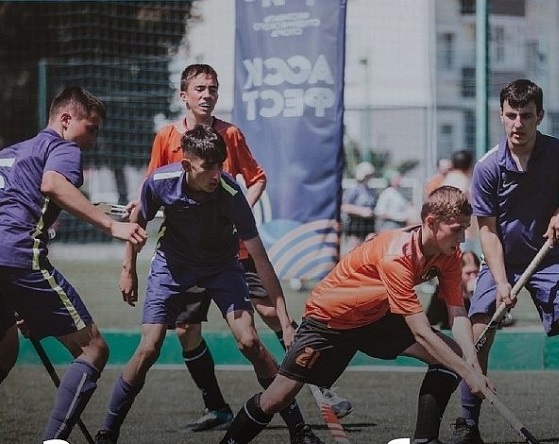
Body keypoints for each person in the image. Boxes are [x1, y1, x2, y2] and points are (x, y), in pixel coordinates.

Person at [140, 63, 351, 431]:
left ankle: (321, 388)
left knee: (272, 314)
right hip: (185, 256)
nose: (207, 95)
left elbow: (257, 178)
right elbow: (153, 186)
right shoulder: (166, 137)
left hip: (231, 253)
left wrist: (237, 215)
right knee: (185, 329)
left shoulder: (231, 134)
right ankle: (217, 407)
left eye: (213, 88)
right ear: (184, 95)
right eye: (200, 88)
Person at [94, 125, 322, 444]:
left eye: (220, 166)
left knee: (250, 342)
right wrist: (128, 269)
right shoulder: (159, 182)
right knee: (149, 347)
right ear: (187, 165)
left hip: (222, 267)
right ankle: (108, 432)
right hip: (173, 267)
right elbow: (138, 222)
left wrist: (285, 322)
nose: (217, 174)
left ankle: (298, 429)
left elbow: (261, 260)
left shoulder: (231, 194)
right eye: (208, 167)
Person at [220, 185, 495, 444]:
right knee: (276, 398)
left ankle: (425, 440)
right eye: (457, 230)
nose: (462, 238)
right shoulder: (396, 257)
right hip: (330, 320)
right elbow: (421, 331)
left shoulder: (450, 254)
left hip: (375, 315)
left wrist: (470, 360)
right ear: (432, 222)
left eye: (465, 229)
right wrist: (468, 374)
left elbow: (457, 312)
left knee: (451, 356)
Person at [451, 79, 559, 444]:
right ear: (501, 115)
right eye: (511, 115)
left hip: (548, 259)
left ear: (540, 116)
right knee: (479, 332)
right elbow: (487, 232)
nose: (518, 123)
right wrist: (501, 282)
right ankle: (467, 423)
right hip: (501, 262)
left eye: (526, 115)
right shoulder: (488, 167)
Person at [0, 86, 148, 441]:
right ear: (65, 120)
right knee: (93, 349)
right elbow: (53, 184)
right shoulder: (63, 147)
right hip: (20, 256)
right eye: (90, 129)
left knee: (5, 350)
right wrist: (113, 226)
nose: (92, 140)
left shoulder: (10, 153)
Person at [341, 161, 376, 254]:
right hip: (356, 226)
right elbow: (344, 206)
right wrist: (361, 211)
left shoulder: (370, 190)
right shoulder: (354, 189)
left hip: (367, 227)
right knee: (353, 252)